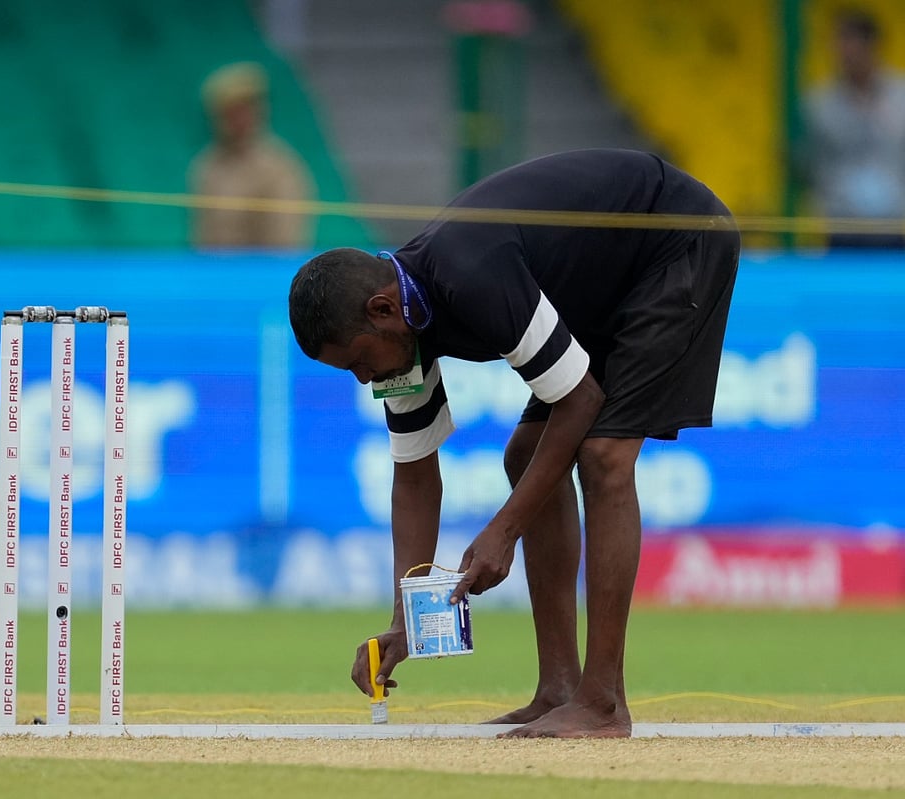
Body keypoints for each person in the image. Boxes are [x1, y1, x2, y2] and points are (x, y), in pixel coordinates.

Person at [287, 149, 740, 738]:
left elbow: (581, 400)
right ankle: (558, 688)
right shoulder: (398, 328)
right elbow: (415, 474)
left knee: (604, 456)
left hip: (676, 238)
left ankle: (602, 701)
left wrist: (504, 530)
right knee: (526, 455)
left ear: (381, 309)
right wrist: (406, 613)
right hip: (603, 281)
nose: (365, 380)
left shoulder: (467, 271)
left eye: (357, 363)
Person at [803, 9, 905, 249]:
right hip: (842, 227)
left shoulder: (901, 97)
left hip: (896, 225)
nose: (845, 54)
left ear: (873, 46)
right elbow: (812, 164)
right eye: (839, 45)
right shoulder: (820, 104)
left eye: (852, 45)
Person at [188, 61, 314, 249]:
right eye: (230, 112)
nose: (239, 119)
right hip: (215, 273)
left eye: (245, 109)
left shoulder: (279, 168)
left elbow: (283, 245)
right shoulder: (207, 165)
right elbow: (202, 237)